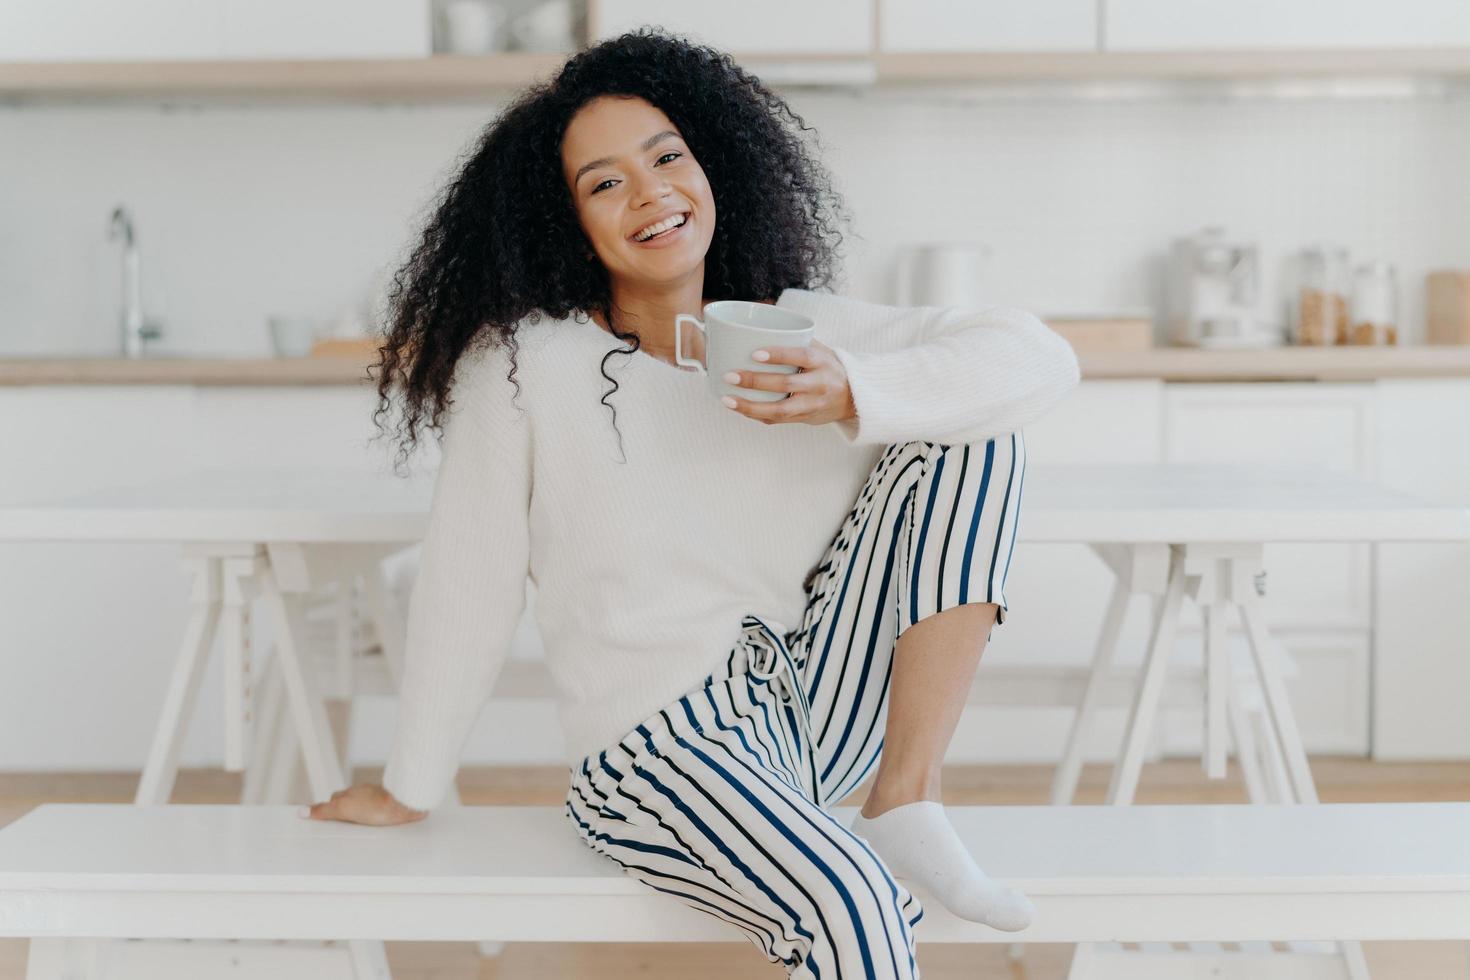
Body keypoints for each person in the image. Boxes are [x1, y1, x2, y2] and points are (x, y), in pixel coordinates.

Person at [306, 26, 1080, 977]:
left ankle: (908, 796)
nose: (650, 193)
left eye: (667, 157)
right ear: (568, 223)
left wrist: (853, 392)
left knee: (972, 418)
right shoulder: (525, 367)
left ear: (716, 163)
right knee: (853, 901)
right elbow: (471, 582)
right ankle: (873, 850)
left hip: (816, 717)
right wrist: (410, 786)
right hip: (656, 752)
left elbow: (1039, 358)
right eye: (604, 183)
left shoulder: (808, 334)